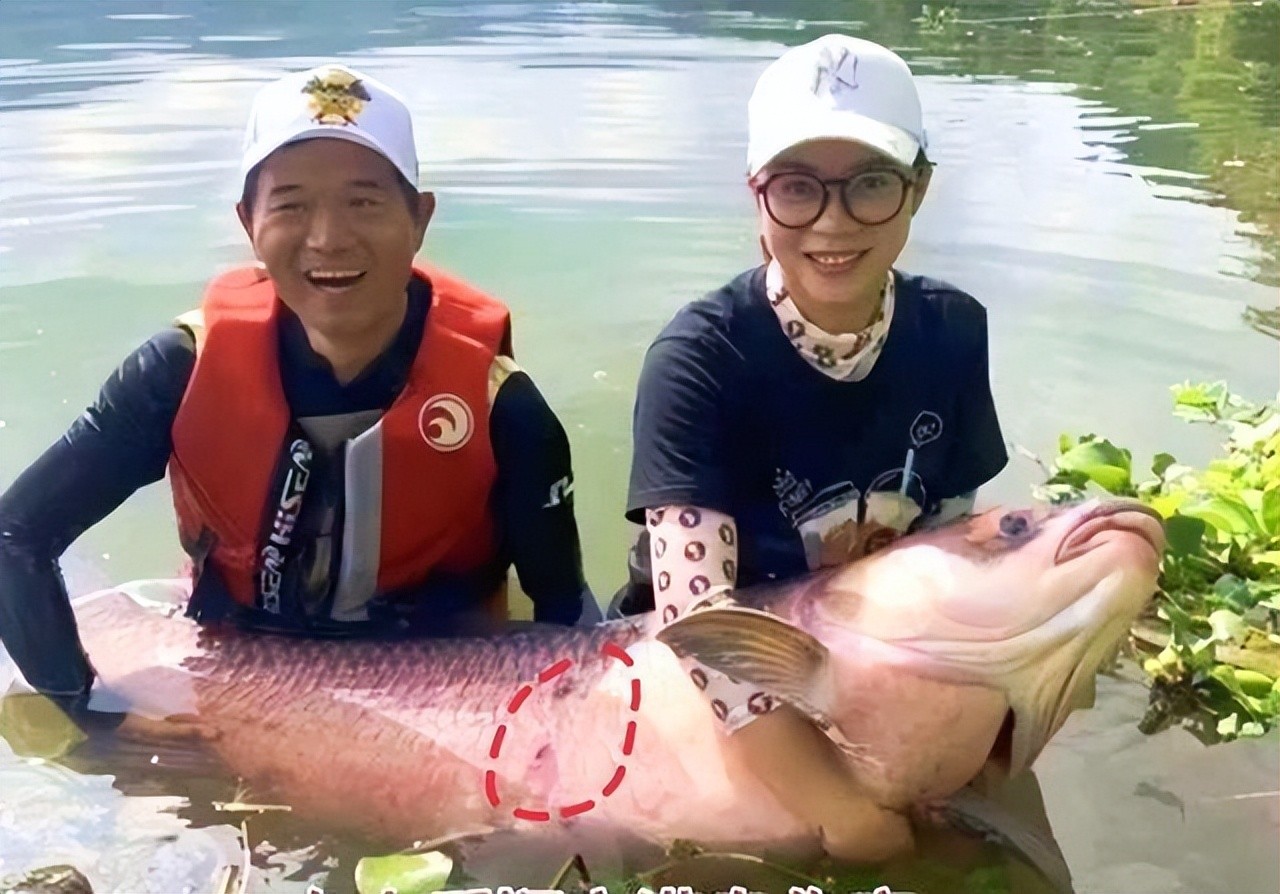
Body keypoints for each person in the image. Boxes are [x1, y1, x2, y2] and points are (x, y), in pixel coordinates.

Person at [0, 64, 597, 710]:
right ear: (248, 223)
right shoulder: (178, 372)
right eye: (291, 205)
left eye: (363, 202)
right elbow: (14, 537)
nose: (328, 239)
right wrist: (89, 722)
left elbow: (566, 616)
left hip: (444, 696)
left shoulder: (502, 407)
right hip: (229, 665)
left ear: (419, 219)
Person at [621, 35, 1008, 861]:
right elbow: (694, 618)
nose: (833, 222)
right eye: (797, 187)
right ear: (756, 194)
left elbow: (948, 549)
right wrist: (835, 808)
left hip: (861, 652)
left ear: (918, 189)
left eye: (871, 183)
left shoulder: (953, 331)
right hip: (690, 674)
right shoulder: (698, 358)